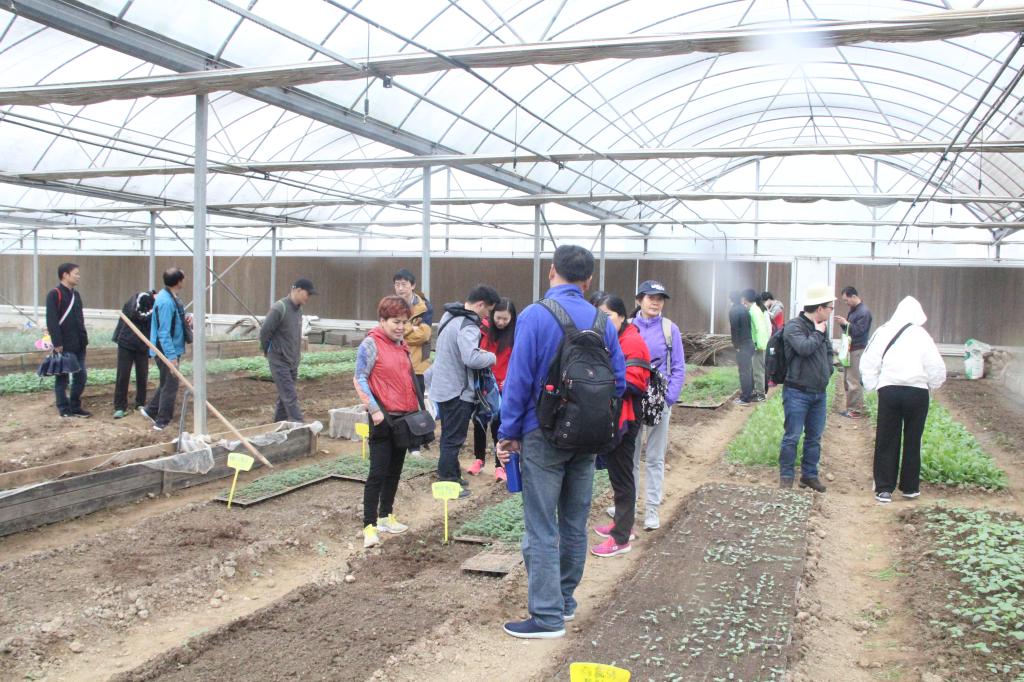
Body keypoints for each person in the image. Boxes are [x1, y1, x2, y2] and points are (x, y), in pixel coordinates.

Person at [496, 244, 626, 639]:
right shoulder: (603, 322)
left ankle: (547, 616)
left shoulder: (536, 315)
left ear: (552, 271)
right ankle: (565, 601)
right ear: (589, 280)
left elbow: (518, 380)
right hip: (587, 437)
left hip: (542, 433)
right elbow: (618, 382)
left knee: (541, 526)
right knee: (574, 522)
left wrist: (508, 432)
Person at [860, 296, 946, 504]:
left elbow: (869, 360)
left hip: (889, 391)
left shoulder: (883, 331)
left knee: (887, 438)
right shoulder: (922, 335)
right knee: (913, 439)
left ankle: (884, 489)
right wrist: (933, 383)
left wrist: (872, 384)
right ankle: (910, 487)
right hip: (917, 393)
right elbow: (935, 365)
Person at [353, 296, 420, 548]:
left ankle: (385, 516)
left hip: (403, 417)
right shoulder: (371, 344)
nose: (401, 327)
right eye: (395, 322)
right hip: (382, 417)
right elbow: (360, 378)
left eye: (404, 322)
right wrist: (374, 410)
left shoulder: (401, 345)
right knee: (377, 473)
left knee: (395, 471)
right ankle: (369, 526)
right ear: (382, 320)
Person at [589, 292, 650, 558]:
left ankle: (621, 538)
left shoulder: (632, 341)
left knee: (623, 474)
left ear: (623, 316)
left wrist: (601, 381)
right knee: (617, 472)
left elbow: (636, 382)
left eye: (608, 316)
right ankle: (622, 524)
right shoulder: (614, 338)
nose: (602, 321)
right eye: (598, 317)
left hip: (626, 417)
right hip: (615, 414)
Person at [627, 280, 686, 531]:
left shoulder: (669, 329)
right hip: (631, 399)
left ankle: (652, 508)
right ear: (639, 300)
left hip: (659, 401)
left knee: (655, 457)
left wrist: (668, 399)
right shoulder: (628, 327)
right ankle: (628, 506)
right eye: (650, 298)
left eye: (659, 299)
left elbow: (679, 367)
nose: (655, 303)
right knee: (629, 457)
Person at [431, 284, 500, 497]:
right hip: (457, 390)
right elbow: (471, 358)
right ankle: (448, 481)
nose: (487, 316)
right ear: (480, 304)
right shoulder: (468, 325)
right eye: (488, 310)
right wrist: (491, 356)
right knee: (453, 439)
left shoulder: (449, 316)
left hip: (443, 386)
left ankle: (453, 473)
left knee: (449, 435)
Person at [779, 284, 835, 492]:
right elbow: (804, 348)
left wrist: (828, 369)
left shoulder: (822, 328)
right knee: (792, 437)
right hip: (797, 392)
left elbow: (828, 352)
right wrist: (818, 333)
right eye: (830, 307)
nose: (831, 311)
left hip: (819, 393)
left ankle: (809, 476)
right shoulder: (794, 327)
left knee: (814, 437)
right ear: (819, 308)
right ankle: (786, 478)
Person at [469, 297, 517, 482]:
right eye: (498, 317)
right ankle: (479, 459)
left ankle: (499, 466)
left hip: (505, 386)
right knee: (479, 421)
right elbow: (477, 354)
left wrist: (509, 380)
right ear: (492, 315)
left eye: (505, 319)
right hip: (486, 384)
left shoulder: (516, 335)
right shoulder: (483, 331)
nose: (501, 322)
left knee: (499, 424)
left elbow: (517, 360)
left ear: (512, 318)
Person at [260, 278, 317, 423]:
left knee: (284, 396)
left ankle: (278, 425)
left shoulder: (299, 310)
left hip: (293, 361)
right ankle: (300, 426)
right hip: (279, 360)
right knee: (290, 396)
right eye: (308, 294)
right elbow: (265, 332)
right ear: (298, 290)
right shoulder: (279, 308)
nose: (308, 297)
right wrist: (268, 352)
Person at [141, 268, 190, 432]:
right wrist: (171, 357)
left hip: (169, 347)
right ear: (178, 282)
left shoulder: (170, 297)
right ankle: (162, 421)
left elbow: (174, 320)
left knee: (166, 381)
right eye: (183, 278)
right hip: (165, 349)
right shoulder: (166, 302)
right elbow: (164, 332)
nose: (185, 280)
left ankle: (150, 410)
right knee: (171, 385)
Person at [46, 263, 90, 418]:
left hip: (79, 343)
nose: (78, 276)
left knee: (81, 376)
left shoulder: (76, 295)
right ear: (65, 275)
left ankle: (75, 405)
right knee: (62, 378)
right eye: (75, 273)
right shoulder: (54, 294)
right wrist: (57, 343)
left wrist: (84, 338)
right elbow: (52, 320)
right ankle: (63, 408)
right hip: (64, 344)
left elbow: (80, 319)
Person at [111, 290, 156, 418]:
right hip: (127, 342)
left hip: (143, 344)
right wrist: (154, 311)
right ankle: (120, 407)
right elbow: (137, 314)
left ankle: (140, 403)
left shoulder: (156, 305)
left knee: (142, 374)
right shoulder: (142, 297)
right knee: (123, 374)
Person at [392, 269, 432, 396]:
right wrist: (412, 327)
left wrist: (401, 332)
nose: (400, 288)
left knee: (417, 401)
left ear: (413, 285)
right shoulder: (390, 306)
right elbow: (388, 333)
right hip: (395, 365)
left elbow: (424, 335)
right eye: (397, 284)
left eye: (404, 284)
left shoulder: (425, 307)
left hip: (418, 366)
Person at [835, 286, 873, 420]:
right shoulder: (854, 310)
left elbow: (859, 331)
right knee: (847, 378)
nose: (846, 303)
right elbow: (850, 329)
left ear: (854, 296)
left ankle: (856, 410)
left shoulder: (864, 312)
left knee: (853, 380)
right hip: (850, 348)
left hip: (857, 349)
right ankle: (851, 407)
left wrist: (846, 323)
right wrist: (843, 324)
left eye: (846, 300)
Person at [729, 290, 755, 406]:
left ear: (731, 299)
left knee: (743, 371)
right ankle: (750, 393)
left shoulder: (733, 311)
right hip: (749, 342)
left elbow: (734, 329)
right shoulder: (745, 309)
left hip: (742, 344)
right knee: (748, 370)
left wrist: (736, 345)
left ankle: (745, 398)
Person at [748, 288, 770, 402]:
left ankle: (760, 395)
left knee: (759, 370)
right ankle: (758, 392)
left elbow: (761, 329)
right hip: (761, 344)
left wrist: (759, 345)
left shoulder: (756, 311)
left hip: (760, 345)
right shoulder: (757, 310)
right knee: (758, 370)